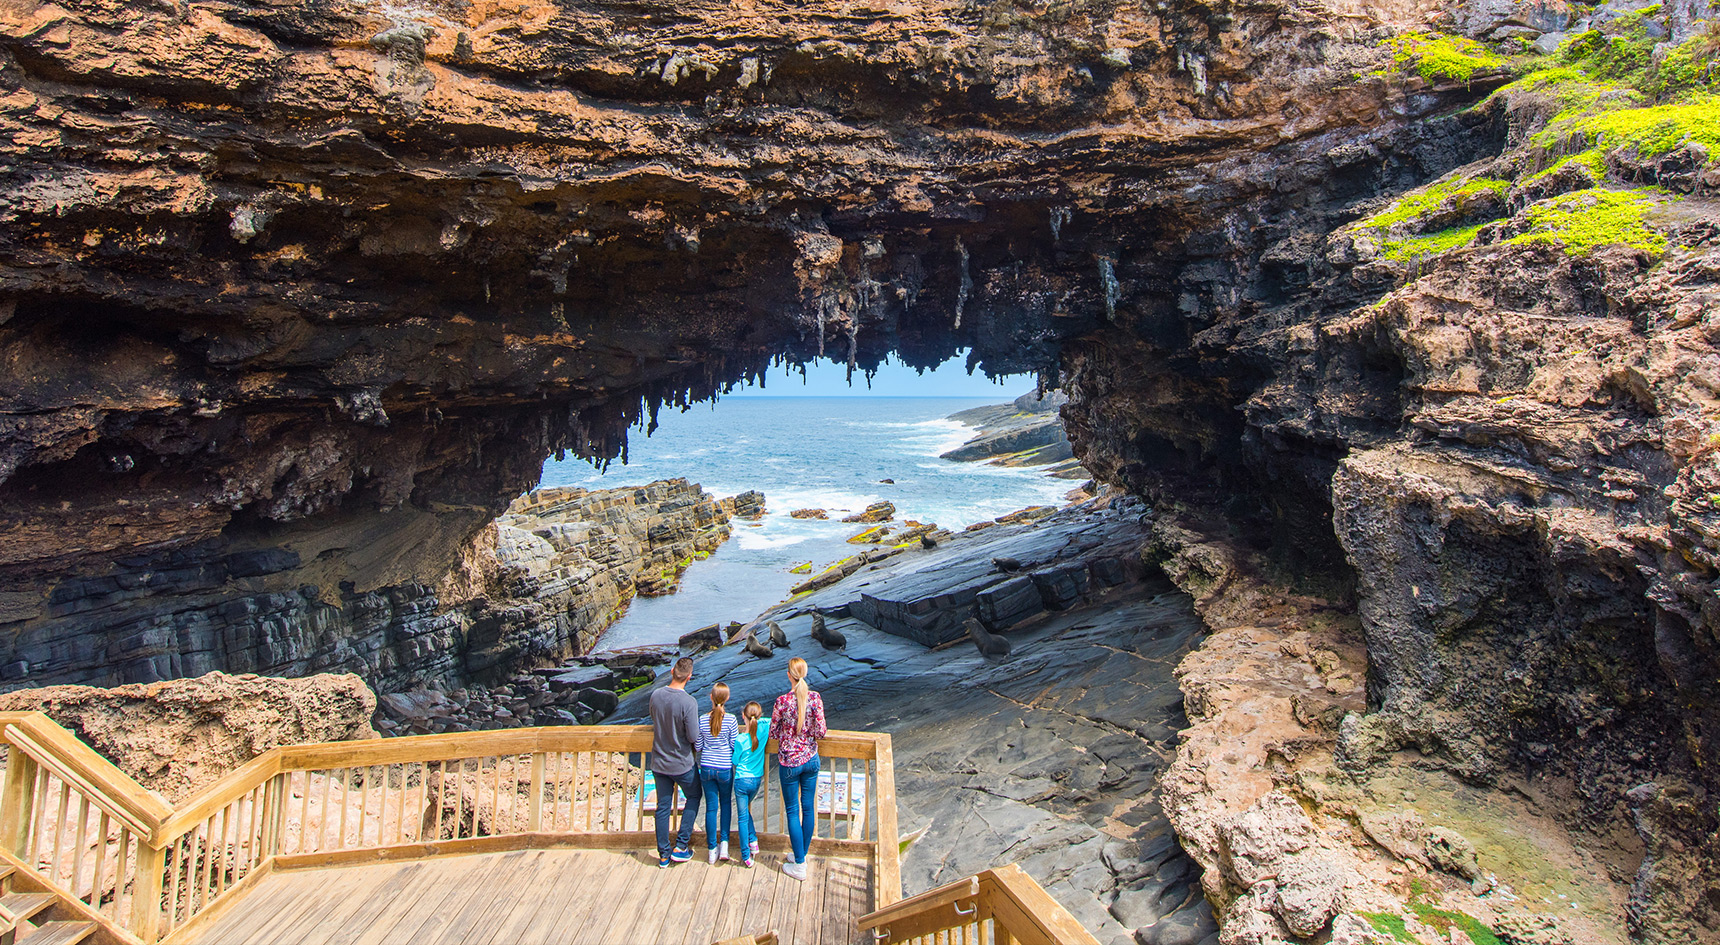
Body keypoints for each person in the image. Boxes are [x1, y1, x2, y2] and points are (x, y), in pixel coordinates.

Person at [770, 656, 826, 880]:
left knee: (793, 811)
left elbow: (774, 733)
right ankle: (800, 853)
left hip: (790, 763)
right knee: (808, 809)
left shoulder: (782, 701)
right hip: (811, 759)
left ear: (789, 675)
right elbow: (821, 731)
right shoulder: (815, 698)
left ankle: (800, 864)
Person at [649, 657, 702, 867]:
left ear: (672, 671)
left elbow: (654, 718)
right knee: (694, 796)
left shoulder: (656, 695)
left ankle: (663, 854)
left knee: (662, 807)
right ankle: (681, 845)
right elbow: (693, 736)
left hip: (659, 761)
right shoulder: (689, 703)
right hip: (682, 763)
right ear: (689, 677)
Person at [698, 682, 739, 863]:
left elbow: (698, 745)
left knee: (711, 808)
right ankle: (724, 845)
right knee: (726, 805)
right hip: (724, 767)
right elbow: (734, 745)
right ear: (727, 698)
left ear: (711, 697)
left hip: (706, 766)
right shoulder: (730, 720)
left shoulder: (702, 719)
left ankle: (711, 849)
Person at [731, 701, 770, 869]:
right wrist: (759, 719)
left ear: (743, 717)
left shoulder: (740, 740)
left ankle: (746, 854)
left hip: (741, 780)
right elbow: (770, 720)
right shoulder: (763, 730)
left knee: (742, 817)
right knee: (745, 812)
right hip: (756, 780)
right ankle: (753, 840)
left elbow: (735, 760)